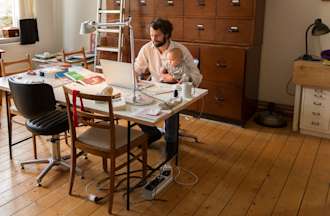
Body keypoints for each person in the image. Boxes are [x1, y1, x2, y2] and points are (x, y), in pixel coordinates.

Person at [134, 18, 202, 159]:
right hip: (154, 88)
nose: (153, 39)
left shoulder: (180, 50)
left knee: (171, 110)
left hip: (175, 89)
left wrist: (178, 79)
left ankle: (171, 144)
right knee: (134, 103)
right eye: (151, 35)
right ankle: (152, 133)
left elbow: (196, 76)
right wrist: (131, 77)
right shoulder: (147, 48)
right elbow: (137, 68)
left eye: (157, 35)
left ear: (166, 34)